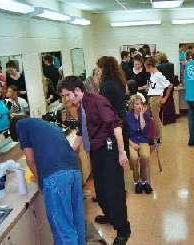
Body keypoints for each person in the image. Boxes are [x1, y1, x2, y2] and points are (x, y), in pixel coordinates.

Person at [59, 76, 131, 245]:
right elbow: (82, 130)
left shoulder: (98, 101)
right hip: (97, 151)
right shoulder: (82, 105)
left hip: (109, 150)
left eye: (68, 94)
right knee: (101, 190)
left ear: (77, 90)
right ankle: (110, 215)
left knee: (114, 191)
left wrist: (121, 152)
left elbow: (116, 126)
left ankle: (123, 229)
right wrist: (69, 151)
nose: (67, 99)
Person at [9, 116, 85, 245]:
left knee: (62, 228)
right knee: (77, 220)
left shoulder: (20, 125)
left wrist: (41, 181)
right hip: (74, 170)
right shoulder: (44, 124)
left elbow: (30, 160)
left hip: (57, 177)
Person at [96, 56, 129, 156]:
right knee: (120, 155)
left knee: (112, 153)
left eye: (99, 69)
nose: (98, 72)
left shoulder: (107, 85)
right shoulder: (118, 81)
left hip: (113, 126)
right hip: (121, 121)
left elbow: (103, 108)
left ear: (105, 69)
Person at [126, 95, 152, 194]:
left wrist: (141, 114)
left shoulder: (146, 115)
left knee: (145, 156)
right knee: (134, 158)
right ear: (132, 105)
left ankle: (144, 181)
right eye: (137, 104)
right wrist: (132, 144)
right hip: (131, 141)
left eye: (141, 103)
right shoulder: (127, 116)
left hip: (143, 140)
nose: (139, 105)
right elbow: (125, 134)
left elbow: (144, 129)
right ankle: (137, 182)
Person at [144, 57, 173, 143]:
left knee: (156, 118)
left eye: (146, 67)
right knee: (148, 116)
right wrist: (148, 88)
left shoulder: (159, 75)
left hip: (156, 98)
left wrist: (165, 98)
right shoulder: (152, 74)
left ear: (150, 66)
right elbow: (153, 85)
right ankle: (152, 135)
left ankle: (157, 137)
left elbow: (170, 86)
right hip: (150, 97)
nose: (145, 69)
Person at [157, 52, 176, 125]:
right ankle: (171, 119)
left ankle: (164, 120)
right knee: (170, 100)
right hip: (171, 85)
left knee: (163, 102)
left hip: (163, 86)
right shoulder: (171, 65)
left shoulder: (159, 66)